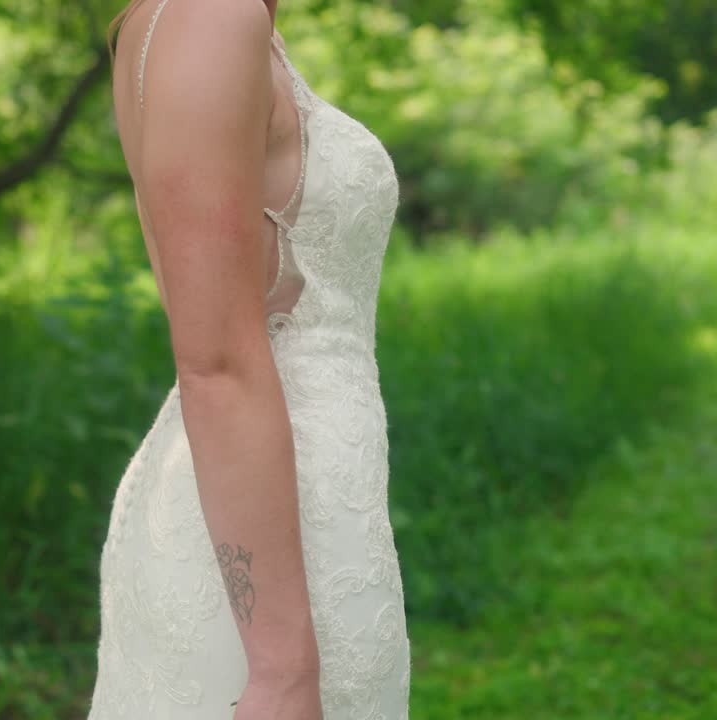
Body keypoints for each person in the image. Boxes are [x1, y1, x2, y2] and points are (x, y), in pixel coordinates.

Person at [88, 0, 411, 718]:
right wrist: (280, 669)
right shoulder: (211, 16)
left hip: (302, 509)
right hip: (277, 545)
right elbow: (217, 360)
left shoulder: (189, 20)